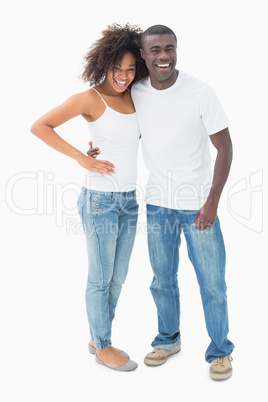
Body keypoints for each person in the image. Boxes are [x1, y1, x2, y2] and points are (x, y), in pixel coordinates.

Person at [30, 23, 148, 372]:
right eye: (117, 68)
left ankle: (98, 337)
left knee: (119, 275)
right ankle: (104, 344)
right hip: (99, 200)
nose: (124, 76)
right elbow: (40, 126)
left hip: (129, 199)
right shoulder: (88, 99)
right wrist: (81, 157)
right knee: (100, 277)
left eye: (130, 69)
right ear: (104, 63)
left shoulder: (136, 95)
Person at [130, 24, 235, 380]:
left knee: (212, 284)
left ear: (176, 50)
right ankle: (168, 339)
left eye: (170, 48)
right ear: (143, 55)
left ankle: (220, 352)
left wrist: (212, 202)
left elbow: (225, 147)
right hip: (157, 203)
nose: (164, 56)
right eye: (155, 50)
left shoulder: (200, 92)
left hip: (197, 206)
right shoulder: (137, 92)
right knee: (162, 279)